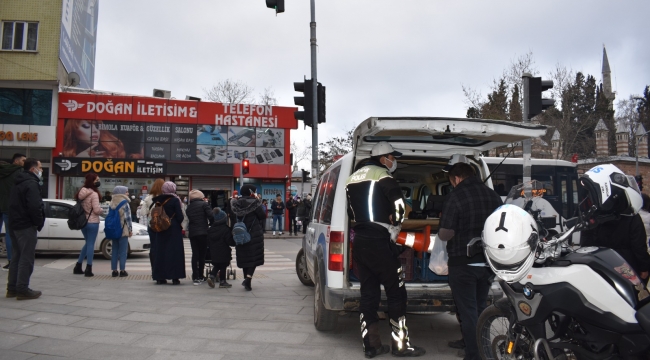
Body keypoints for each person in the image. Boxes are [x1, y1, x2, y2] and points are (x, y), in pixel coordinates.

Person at [345, 141, 425, 357]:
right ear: (383, 158)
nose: (394, 160)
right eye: (392, 156)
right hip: (380, 241)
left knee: (368, 295)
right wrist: (396, 221)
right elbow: (399, 206)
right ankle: (401, 346)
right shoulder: (384, 176)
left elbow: (351, 211)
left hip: (360, 241)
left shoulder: (352, 179)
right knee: (396, 294)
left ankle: (371, 346)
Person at [437, 162, 503, 360]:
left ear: (456, 178)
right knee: (480, 307)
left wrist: (444, 227)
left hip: (463, 263)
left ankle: (475, 354)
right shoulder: (493, 196)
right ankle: (473, 342)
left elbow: (445, 234)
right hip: (487, 261)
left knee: (467, 311)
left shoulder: (455, 196)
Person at [6, 158, 45, 300]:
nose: (41, 170)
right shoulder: (31, 184)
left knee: (16, 256)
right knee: (26, 258)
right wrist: (38, 222)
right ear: (33, 169)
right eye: (40, 168)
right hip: (26, 225)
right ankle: (22, 288)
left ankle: (12, 288)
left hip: (14, 224)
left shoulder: (18, 183)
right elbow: (35, 206)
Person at [581, 201, 650, 280]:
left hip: (600, 261)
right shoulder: (630, 215)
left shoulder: (593, 214)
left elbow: (586, 241)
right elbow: (638, 245)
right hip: (626, 263)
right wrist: (644, 267)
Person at [228, 184, 266, 291]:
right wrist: (258, 200)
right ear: (251, 192)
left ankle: (246, 279)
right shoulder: (255, 203)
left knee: (244, 257)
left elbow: (232, 219)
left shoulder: (234, 204)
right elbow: (263, 216)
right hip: (254, 234)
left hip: (239, 233)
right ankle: (248, 279)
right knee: (253, 257)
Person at [150, 181, 186, 285]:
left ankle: (160, 277)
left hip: (160, 229)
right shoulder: (175, 200)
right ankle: (175, 277)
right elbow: (180, 216)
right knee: (174, 253)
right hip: (173, 229)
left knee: (161, 252)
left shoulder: (158, 200)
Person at [72, 172, 104, 277]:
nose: (98, 182)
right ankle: (88, 268)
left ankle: (78, 265)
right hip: (92, 222)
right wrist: (101, 210)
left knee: (87, 243)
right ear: (92, 181)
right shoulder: (94, 194)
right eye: (96, 180)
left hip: (83, 221)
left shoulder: (82, 192)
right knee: (90, 244)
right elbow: (96, 210)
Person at [0, 153, 26, 271]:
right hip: (8, 207)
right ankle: (11, 260)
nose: (25, 162)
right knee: (10, 234)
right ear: (16, 161)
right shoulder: (19, 172)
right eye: (23, 160)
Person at [186, 189, 214, 285]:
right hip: (203, 233)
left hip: (193, 233)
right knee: (202, 255)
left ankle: (195, 276)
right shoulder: (204, 205)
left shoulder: (189, 207)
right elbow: (211, 216)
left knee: (195, 254)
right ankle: (201, 276)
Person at [140, 179, 165, 278]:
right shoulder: (165, 198)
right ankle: (162, 270)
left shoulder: (148, 198)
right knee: (162, 248)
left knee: (153, 248)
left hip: (152, 225)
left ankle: (154, 270)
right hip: (163, 226)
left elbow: (142, 212)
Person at [206, 207, 235, 288]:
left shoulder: (210, 229)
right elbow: (229, 241)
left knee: (217, 265)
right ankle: (222, 281)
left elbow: (208, 242)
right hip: (224, 251)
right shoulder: (225, 229)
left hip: (213, 251)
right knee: (223, 266)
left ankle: (212, 276)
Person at [108, 186, 132, 277]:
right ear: (122, 192)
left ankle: (114, 271)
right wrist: (130, 230)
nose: (128, 193)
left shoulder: (111, 202)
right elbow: (128, 218)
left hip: (114, 229)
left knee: (114, 250)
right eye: (126, 192)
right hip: (123, 229)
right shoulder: (125, 203)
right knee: (123, 251)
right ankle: (122, 271)